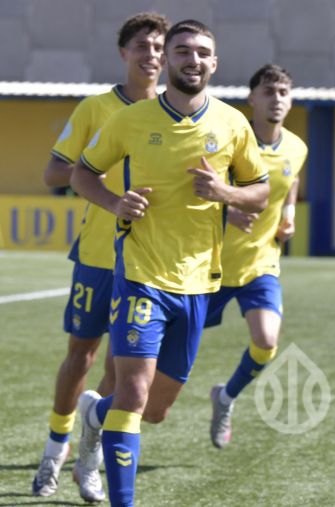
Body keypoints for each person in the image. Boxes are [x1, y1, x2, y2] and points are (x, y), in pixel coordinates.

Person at [69, 19, 270, 506]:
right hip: (141, 275)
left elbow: (260, 193)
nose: (192, 59)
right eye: (182, 51)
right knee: (134, 398)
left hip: (200, 283)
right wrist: (116, 203)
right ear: (169, 60)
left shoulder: (232, 123)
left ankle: (94, 419)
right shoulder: (131, 120)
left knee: (154, 411)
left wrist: (224, 192)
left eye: (202, 52)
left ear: (214, 63)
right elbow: (82, 174)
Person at [32, 12, 170, 502]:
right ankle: (54, 451)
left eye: (159, 46)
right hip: (97, 253)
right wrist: (101, 172)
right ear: (123, 54)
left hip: (150, 259)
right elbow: (56, 172)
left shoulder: (179, 113)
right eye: (141, 46)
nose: (151, 55)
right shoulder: (96, 108)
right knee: (81, 355)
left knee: (120, 369)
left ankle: (88, 462)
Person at [206, 64, 307, 448]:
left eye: (283, 92)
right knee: (162, 361)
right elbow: (196, 189)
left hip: (259, 264)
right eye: (268, 91)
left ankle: (226, 398)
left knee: (266, 342)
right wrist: (227, 210)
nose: (277, 99)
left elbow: (291, 179)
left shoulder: (297, 147)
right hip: (208, 268)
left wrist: (289, 214)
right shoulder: (229, 140)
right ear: (251, 98)